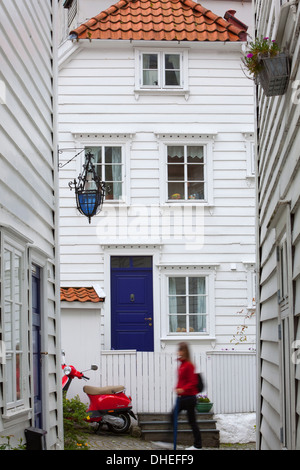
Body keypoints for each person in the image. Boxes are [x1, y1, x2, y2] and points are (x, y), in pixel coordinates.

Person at [172, 342, 202, 450]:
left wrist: (183, 389)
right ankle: (171, 441)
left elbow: (193, 382)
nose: (178, 352)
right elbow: (181, 380)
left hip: (189, 397)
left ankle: (198, 445)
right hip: (182, 397)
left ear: (184, 351)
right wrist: (177, 388)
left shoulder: (189, 365)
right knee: (173, 417)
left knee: (191, 421)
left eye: (180, 350)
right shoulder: (182, 364)